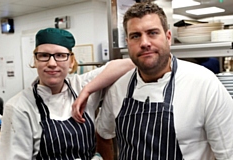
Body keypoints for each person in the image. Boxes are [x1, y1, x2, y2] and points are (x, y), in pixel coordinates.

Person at [72, 2, 233, 160]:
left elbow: (227, 153)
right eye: (135, 36)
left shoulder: (204, 84)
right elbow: (103, 134)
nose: (144, 43)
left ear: (168, 37)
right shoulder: (118, 87)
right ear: (127, 42)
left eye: (152, 33)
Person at [0, 27, 134, 160]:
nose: (52, 63)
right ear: (35, 60)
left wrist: (86, 91)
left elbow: (130, 63)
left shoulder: (80, 85)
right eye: (44, 55)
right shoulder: (18, 107)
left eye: (60, 56)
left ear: (71, 61)